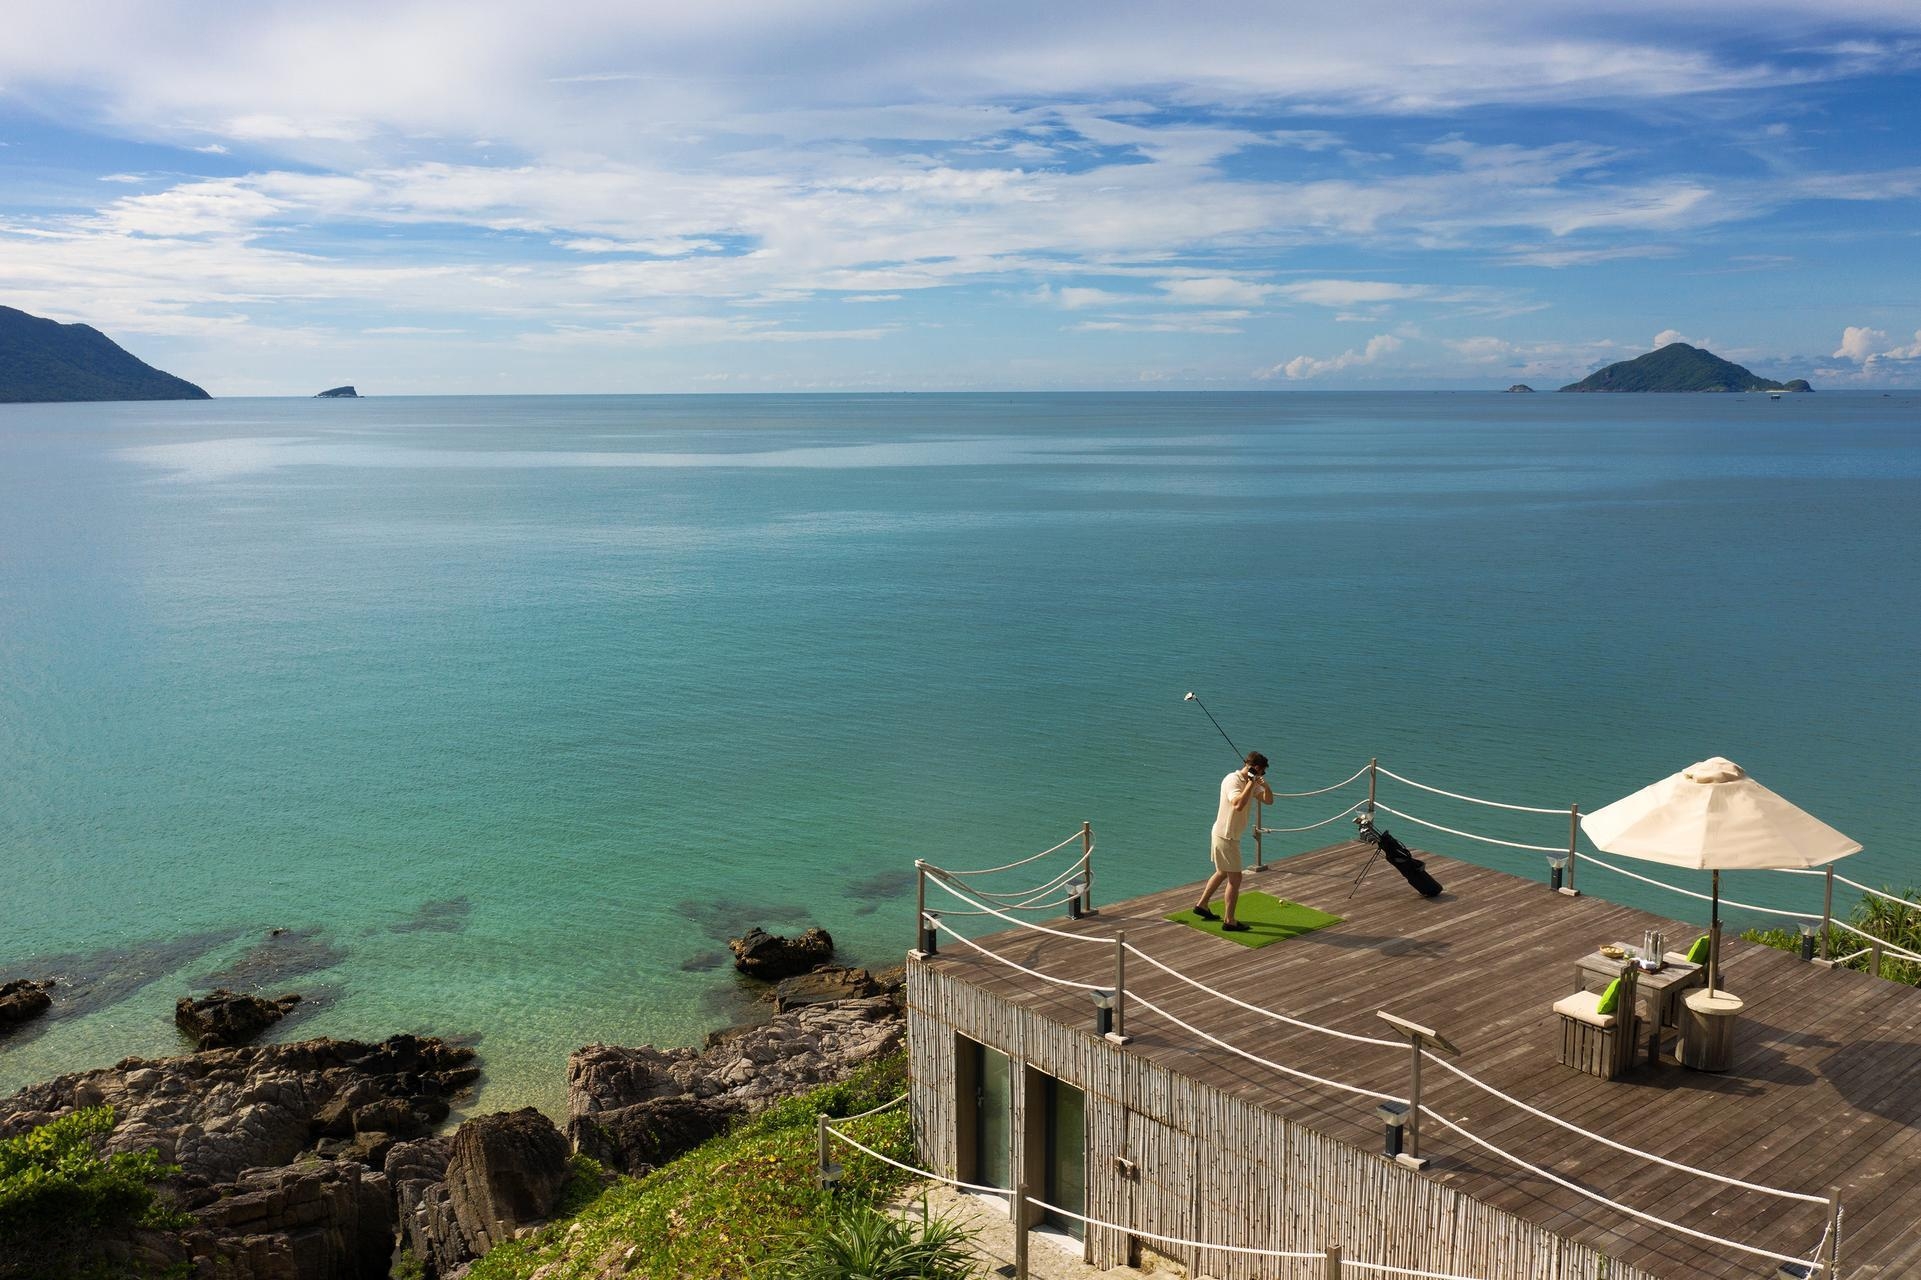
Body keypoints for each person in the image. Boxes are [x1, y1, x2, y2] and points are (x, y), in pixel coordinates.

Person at [1193, 751, 1272, 931]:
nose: (1262, 775)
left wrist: (1265, 786)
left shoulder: (1250, 782)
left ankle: (1202, 905)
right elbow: (1238, 805)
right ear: (1256, 768)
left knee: (1222, 872)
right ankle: (1229, 921)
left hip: (1228, 836)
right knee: (1236, 878)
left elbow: (1269, 801)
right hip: (1225, 836)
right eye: (1263, 772)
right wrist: (1251, 783)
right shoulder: (1233, 780)